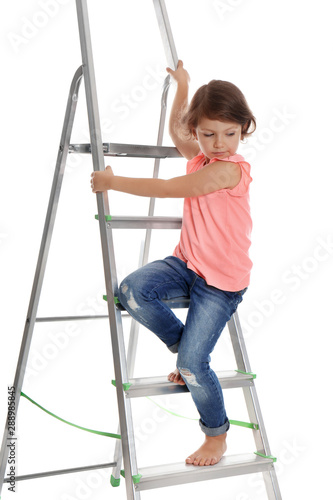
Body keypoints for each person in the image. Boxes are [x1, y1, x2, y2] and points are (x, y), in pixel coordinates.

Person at [90, 61, 256, 467]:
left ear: (244, 130)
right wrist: (182, 86)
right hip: (188, 265)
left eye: (230, 134)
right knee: (131, 290)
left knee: (194, 365)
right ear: (198, 131)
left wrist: (114, 182)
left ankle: (215, 434)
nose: (219, 143)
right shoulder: (200, 157)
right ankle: (185, 351)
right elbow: (177, 131)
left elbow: (166, 189)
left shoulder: (227, 172)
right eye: (208, 134)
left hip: (221, 282)